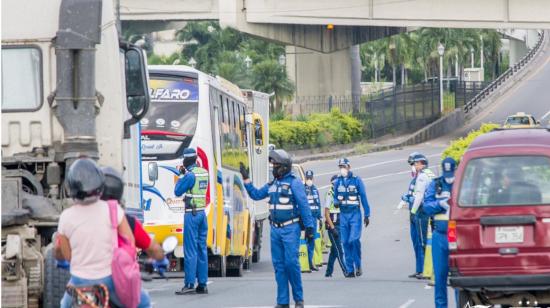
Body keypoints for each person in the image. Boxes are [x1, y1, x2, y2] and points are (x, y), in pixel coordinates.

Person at [55, 158, 151, 308]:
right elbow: (129, 242)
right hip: (109, 279)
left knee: (64, 305)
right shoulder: (112, 209)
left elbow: (68, 256)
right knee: (144, 303)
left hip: (79, 281)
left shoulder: (65, 217)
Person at [240, 149, 314, 308]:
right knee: (279, 266)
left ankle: (299, 299)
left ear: (284, 167)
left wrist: (309, 227)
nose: (273, 167)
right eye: (272, 164)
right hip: (275, 230)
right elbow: (256, 195)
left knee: (291, 264)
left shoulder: (294, 183)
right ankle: (282, 301)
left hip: (290, 229)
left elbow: (304, 205)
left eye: (275, 165)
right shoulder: (272, 184)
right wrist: (246, 180)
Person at [100, 166, 167, 279]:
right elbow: (153, 248)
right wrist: (161, 260)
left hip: (81, 282)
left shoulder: (79, 217)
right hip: (115, 279)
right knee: (143, 297)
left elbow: (61, 250)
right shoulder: (125, 220)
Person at [174, 148, 209, 295]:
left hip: (191, 215)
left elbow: (177, 191)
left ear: (186, 160)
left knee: (190, 250)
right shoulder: (204, 172)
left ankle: (189, 284)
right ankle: (202, 284)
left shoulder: (190, 176)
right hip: (202, 213)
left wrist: (181, 176)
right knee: (202, 249)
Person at [423, 157, 457, 308]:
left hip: (456, 234)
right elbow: (426, 206)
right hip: (440, 234)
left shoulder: (462, 184)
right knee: (440, 276)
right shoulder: (435, 184)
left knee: (458, 276)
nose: (449, 178)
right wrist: (440, 204)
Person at [332, 158, 371, 278]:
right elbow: (335, 196)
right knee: (345, 242)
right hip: (343, 215)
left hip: (355, 214)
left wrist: (367, 214)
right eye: (340, 167)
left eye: (344, 166)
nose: (342, 169)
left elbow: (363, 197)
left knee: (353, 240)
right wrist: (336, 202)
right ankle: (350, 269)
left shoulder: (356, 180)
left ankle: (358, 264)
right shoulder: (338, 181)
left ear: (349, 167)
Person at [408, 153, 436, 279]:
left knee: (422, 241)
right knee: (427, 241)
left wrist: (413, 211)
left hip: (421, 211)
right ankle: (425, 269)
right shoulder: (431, 173)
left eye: (415, 163)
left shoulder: (422, 176)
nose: (414, 166)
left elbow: (419, 196)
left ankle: (427, 270)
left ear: (421, 163)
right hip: (431, 210)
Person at [324, 175, 347, 278]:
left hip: (340, 225)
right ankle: (346, 271)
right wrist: (332, 228)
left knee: (334, 250)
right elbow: (326, 213)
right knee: (339, 251)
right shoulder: (330, 194)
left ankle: (328, 272)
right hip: (333, 226)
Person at [304, 170, 322, 272]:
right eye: (308, 178)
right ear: (305, 178)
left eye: (311, 178)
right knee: (305, 240)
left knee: (312, 241)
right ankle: (304, 262)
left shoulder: (315, 189)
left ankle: (310, 262)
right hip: (306, 219)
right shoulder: (302, 189)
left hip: (314, 219)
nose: (309, 180)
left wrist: (320, 218)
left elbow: (318, 204)